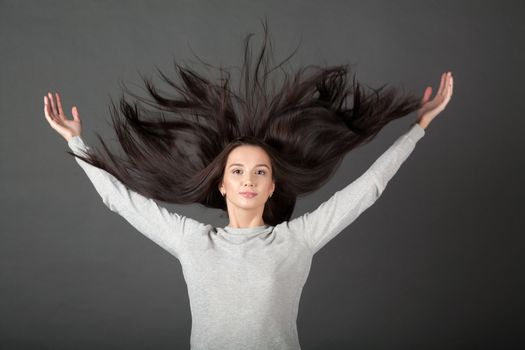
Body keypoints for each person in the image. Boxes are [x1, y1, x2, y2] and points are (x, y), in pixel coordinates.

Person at [43, 23, 453, 350]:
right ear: (221, 184)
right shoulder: (191, 241)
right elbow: (121, 200)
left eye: (260, 172)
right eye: (238, 171)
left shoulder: (296, 241)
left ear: (273, 186)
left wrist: (419, 127)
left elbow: (370, 188)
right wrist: (75, 141)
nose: (248, 180)